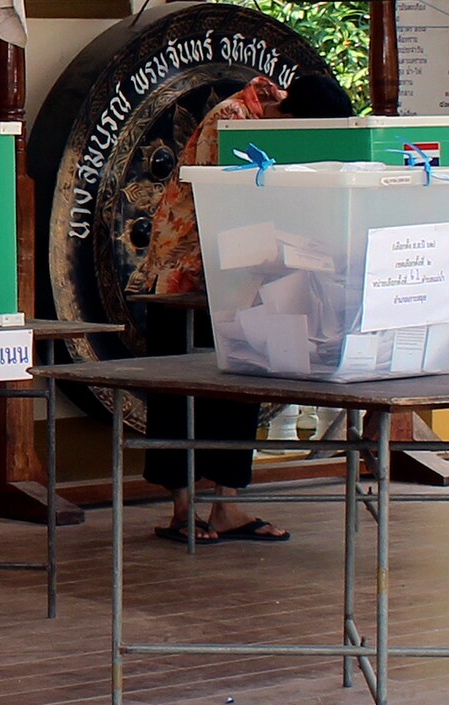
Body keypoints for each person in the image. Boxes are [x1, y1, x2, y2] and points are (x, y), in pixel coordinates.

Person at [131, 73, 354, 544]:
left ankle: (226, 505)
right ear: (288, 115)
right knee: (182, 388)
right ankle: (182, 508)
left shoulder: (269, 114)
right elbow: (230, 201)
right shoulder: (231, 122)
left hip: (242, 266)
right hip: (187, 267)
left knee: (241, 380)